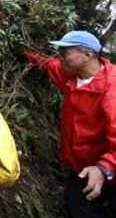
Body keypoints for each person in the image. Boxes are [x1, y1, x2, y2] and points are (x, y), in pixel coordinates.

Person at [24, 30, 116, 217]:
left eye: (65, 53)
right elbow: (48, 64)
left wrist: (104, 168)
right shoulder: (71, 74)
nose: (60, 57)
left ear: (87, 55)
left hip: (107, 168)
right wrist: (23, 52)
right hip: (82, 169)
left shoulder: (111, 89)